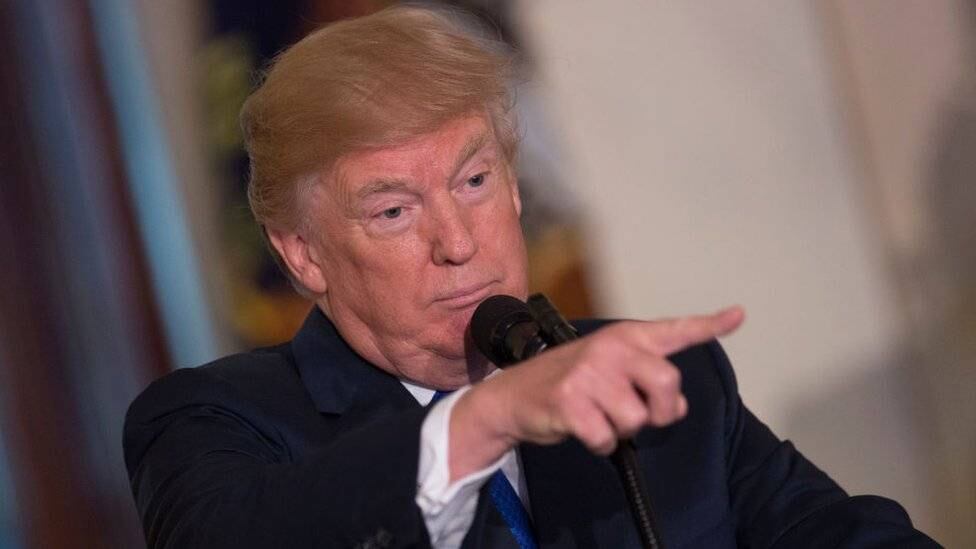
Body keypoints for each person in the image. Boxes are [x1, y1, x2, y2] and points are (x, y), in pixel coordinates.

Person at [123, 6, 938, 548]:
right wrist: (490, 415)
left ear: (515, 188)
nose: (457, 242)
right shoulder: (214, 421)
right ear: (302, 253)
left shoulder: (660, 382)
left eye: (475, 181)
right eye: (395, 211)